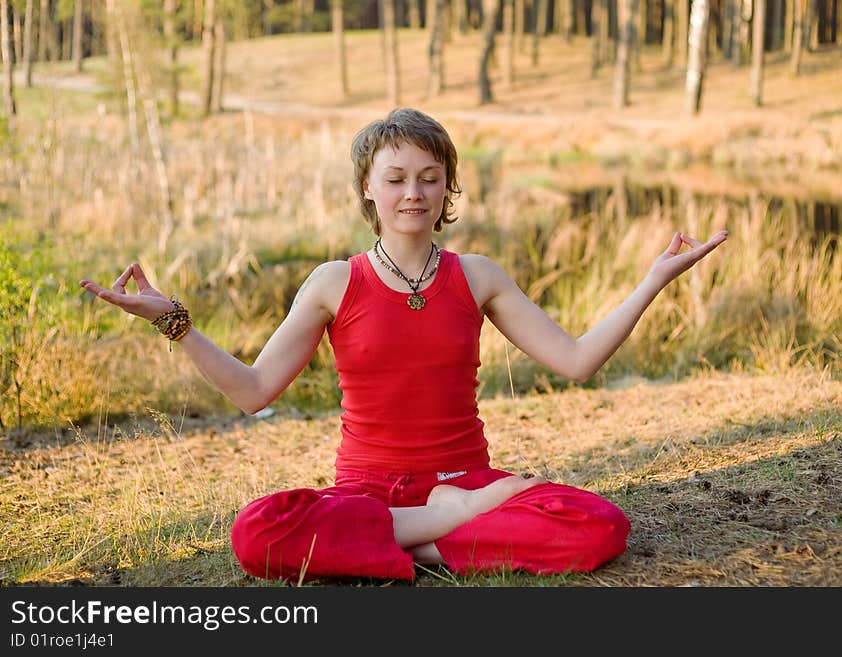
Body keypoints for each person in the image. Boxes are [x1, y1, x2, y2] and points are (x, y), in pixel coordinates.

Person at [80, 107, 728, 582]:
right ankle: (444, 528)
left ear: (447, 186)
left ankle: (406, 541)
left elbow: (578, 359)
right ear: (368, 186)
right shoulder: (334, 283)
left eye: (428, 176)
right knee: (256, 532)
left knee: (600, 524)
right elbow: (253, 392)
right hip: (367, 495)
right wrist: (176, 322)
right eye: (395, 178)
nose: (412, 193)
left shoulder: (478, 277)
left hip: (462, 477)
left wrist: (652, 279)